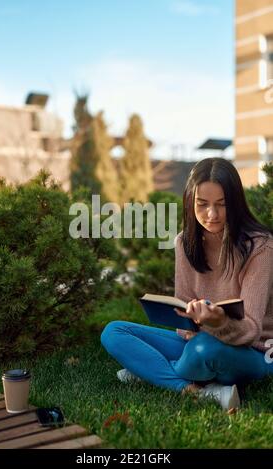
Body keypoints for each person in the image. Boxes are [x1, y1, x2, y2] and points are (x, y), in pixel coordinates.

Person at [101, 158, 273, 410]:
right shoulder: (185, 243)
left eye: (221, 205)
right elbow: (182, 315)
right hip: (200, 341)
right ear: (190, 202)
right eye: (202, 205)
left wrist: (218, 322)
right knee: (114, 332)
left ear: (235, 204)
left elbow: (251, 330)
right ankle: (197, 391)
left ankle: (151, 371)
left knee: (203, 350)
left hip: (257, 352)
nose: (211, 214)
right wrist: (190, 323)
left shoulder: (260, 247)